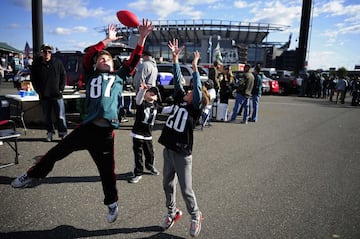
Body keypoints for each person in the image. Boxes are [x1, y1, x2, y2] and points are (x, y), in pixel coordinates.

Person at [11, 20, 154, 224]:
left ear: (113, 65)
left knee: (107, 172)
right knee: (55, 153)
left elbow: (134, 59)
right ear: (96, 65)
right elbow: (88, 55)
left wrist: (142, 37)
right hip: (87, 128)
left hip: (106, 134)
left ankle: (112, 204)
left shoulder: (119, 77)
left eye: (107, 59)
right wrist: (106, 41)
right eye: (101, 59)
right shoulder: (91, 74)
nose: (104, 60)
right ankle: (31, 175)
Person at [158, 39, 206, 237]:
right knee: (167, 184)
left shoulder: (195, 108)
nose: (186, 91)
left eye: (191, 92)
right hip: (168, 149)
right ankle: (172, 212)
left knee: (186, 190)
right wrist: (175, 59)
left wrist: (195, 68)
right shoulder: (180, 98)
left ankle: (195, 215)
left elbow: (195, 92)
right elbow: (178, 81)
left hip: (182, 153)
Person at [31, 44, 68, 141]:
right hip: (44, 95)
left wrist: (61, 89)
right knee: (46, 117)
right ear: (41, 52)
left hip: (57, 95)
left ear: (51, 53)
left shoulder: (57, 62)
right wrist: (39, 91)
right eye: (44, 51)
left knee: (60, 116)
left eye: (49, 52)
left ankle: (63, 133)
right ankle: (50, 133)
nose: (46, 53)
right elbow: (33, 79)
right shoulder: (36, 64)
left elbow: (63, 76)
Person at [128, 82, 161, 184]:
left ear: (156, 98)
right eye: (150, 92)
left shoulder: (156, 106)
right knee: (138, 154)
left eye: (154, 93)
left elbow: (169, 109)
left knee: (150, 153)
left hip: (148, 135)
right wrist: (142, 90)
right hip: (137, 133)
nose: (152, 94)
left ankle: (150, 166)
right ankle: (138, 173)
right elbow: (138, 100)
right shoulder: (141, 104)